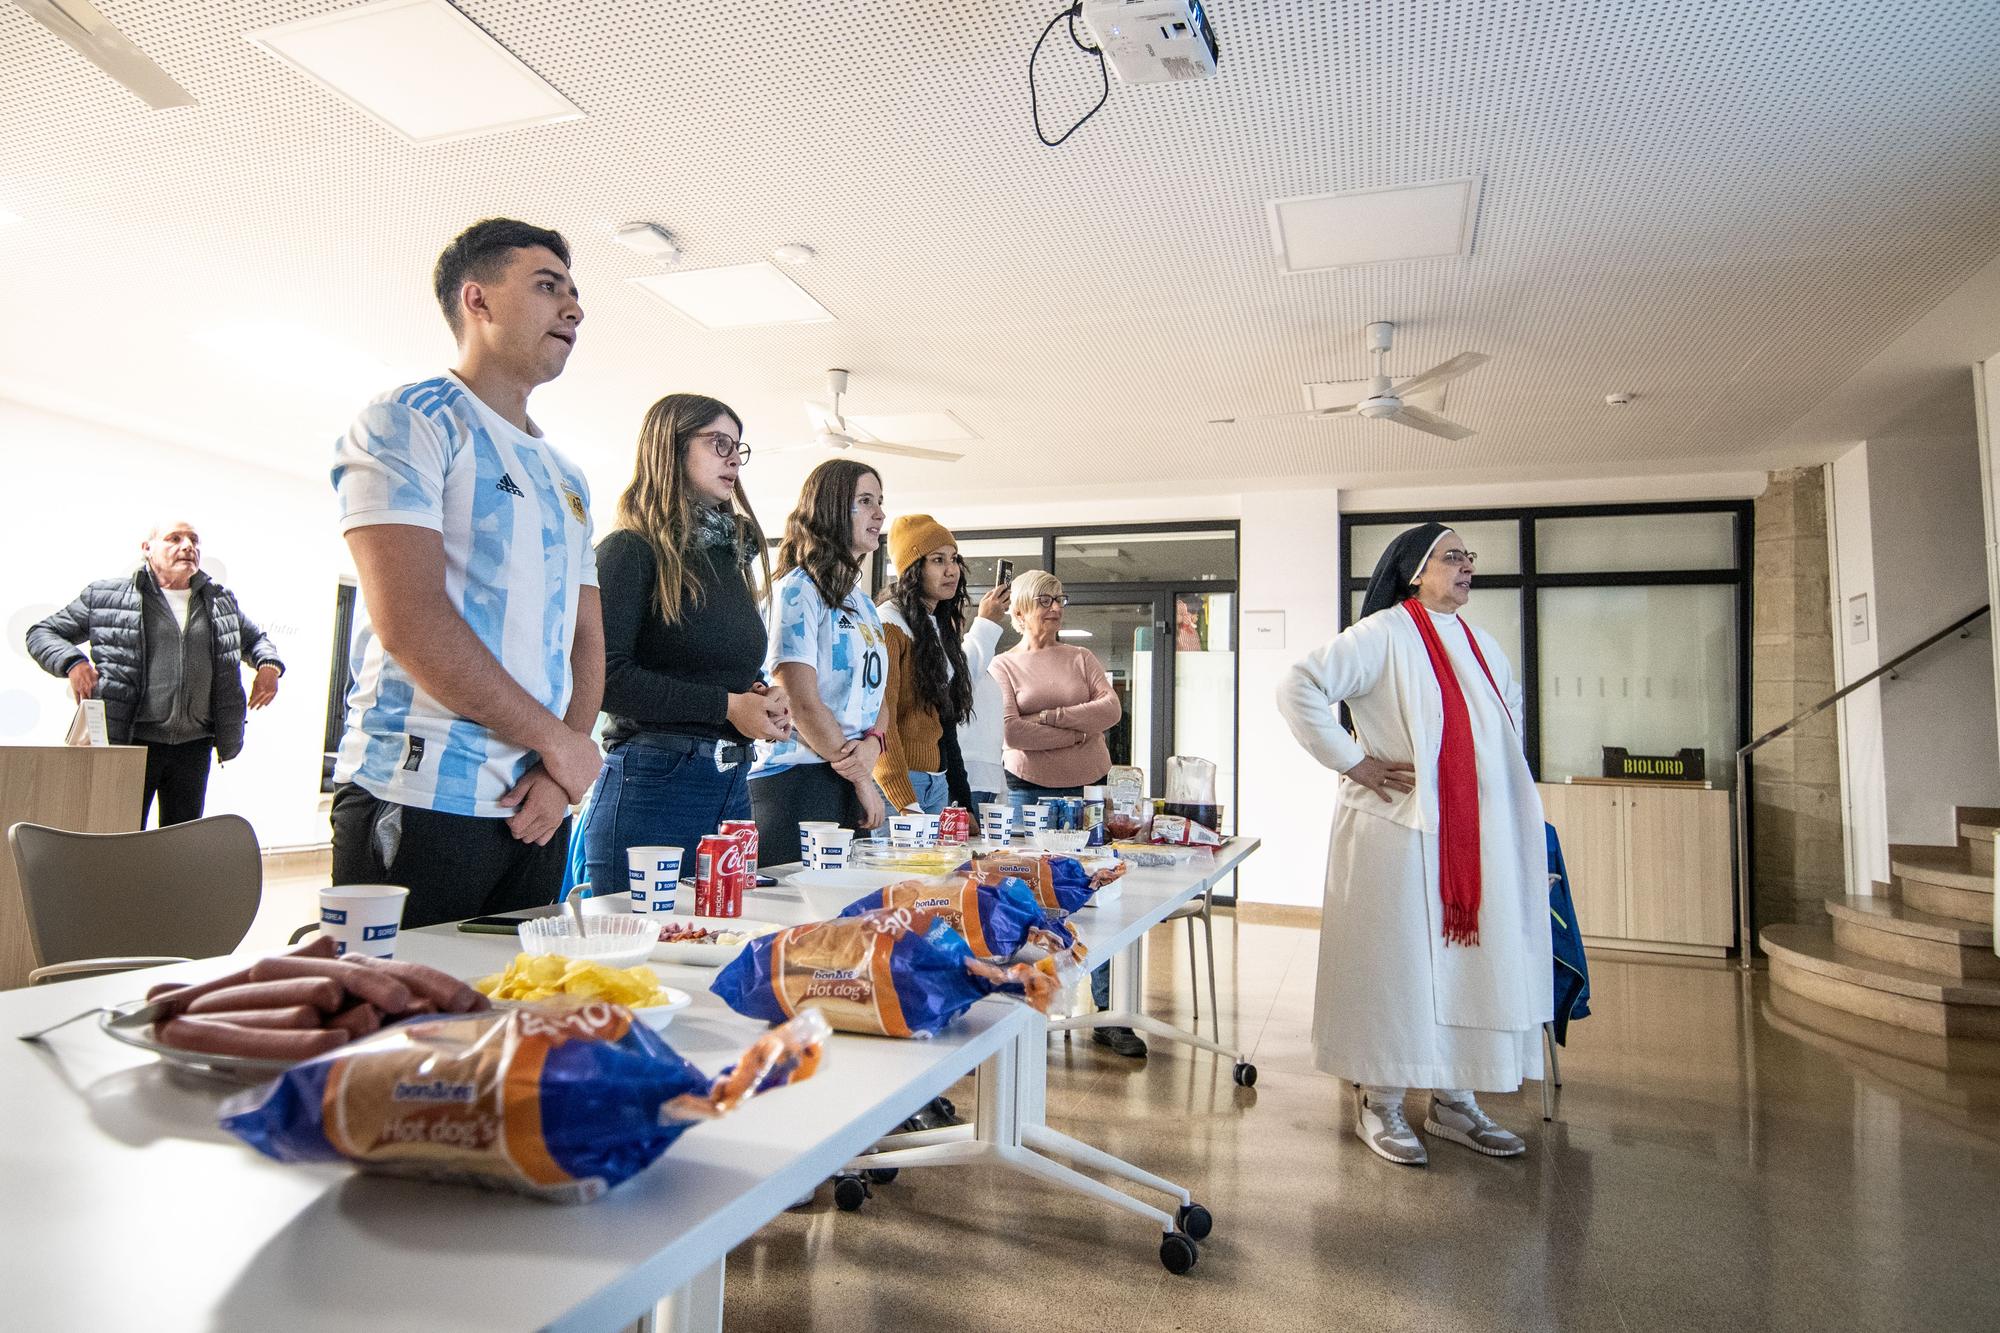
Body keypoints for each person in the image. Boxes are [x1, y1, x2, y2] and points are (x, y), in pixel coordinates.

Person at [328, 217, 604, 929]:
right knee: (406, 1033)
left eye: (575, 293)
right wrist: (559, 745)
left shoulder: (567, 475)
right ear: (477, 301)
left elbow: (585, 641)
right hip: (420, 796)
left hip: (537, 809)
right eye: (548, 287)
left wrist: (558, 771)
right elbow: (410, 623)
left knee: (515, 1023)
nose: (573, 308)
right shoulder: (409, 420)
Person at [1275, 523, 1551, 1166]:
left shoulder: (1483, 645)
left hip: (1475, 837)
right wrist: (1354, 761)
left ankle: (1455, 1101)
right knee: (1397, 970)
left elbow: (1504, 732)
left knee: (1468, 968)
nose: (1466, 565)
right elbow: (1298, 685)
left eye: (1468, 557)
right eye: (1451, 556)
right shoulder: (1385, 634)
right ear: (1414, 571)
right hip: (1398, 831)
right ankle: (1383, 1100)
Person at [578, 393, 792, 892]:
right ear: (671, 448)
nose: (734, 458)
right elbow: (604, 679)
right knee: (641, 953)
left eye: (739, 447)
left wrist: (758, 698)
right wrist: (725, 706)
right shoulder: (628, 550)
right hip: (654, 781)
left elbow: (714, 669)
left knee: (720, 945)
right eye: (719, 443)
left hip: (732, 782)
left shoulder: (727, 559)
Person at [28, 521, 284, 827]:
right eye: (174, 538)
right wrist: (72, 662)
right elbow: (42, 633)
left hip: (194, 747)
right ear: (147, 549)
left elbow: (256, 640)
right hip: (132, 742)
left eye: (194, 540)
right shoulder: (107, 595)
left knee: (178, 843)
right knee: (121, 836)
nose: (188, 546)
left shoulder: (219, 600)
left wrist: (269, 666)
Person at [988, 569, 1140, 1057]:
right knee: (1027, 890)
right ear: (1019, 610)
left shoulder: (1081, 656)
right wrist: (1080, 729)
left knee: (1098, 894)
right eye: (1043, 600)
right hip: (1026, 786)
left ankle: (1107, 1012)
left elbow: (1110, 711)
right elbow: (1012, 732)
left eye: (1060, 598)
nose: (1055, 608)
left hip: (1088, 785)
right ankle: (1025, 1001)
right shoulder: (1002, 667)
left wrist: (1052, 721)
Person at [748, 460, 889, 864]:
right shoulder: (797, 591)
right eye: (865, 501)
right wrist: (860, 772)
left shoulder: (863, 603)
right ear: (830, 509)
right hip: (796, 779)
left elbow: (881, 695)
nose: (879, 514)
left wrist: (873, 747)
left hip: (846, 772)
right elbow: (800, 701)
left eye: (880, 502)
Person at [872, 515, 1008, 815]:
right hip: (898, 785)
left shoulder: (935, 625)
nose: (951, 570)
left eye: (954, 559)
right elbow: (882, 723)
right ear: (912, 569)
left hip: (936, 782)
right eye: (937, 560)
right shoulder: (888, 625)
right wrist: (904, 801)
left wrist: (960, 802)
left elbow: (945, 727)